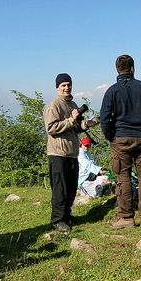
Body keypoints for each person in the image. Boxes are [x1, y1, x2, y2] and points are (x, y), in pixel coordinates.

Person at [100, 54, 141, 229]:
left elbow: (104, 118)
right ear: (133, 68)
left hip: (121, 139)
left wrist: (110, 136)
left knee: (123, 176)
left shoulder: (112, 91)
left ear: (117, 69)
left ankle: (126, 217)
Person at [44, 72, 97, 231]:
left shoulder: (72, 104)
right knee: (60, 189)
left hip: (72, 152)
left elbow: (76, 127)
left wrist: (87, 124)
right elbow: (51, 128)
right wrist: (71, 120)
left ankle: (66, 215)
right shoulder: (53, 105)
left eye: (69, 84)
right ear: (57, 87)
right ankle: (57, 220)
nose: (67, 88)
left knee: (71, 187)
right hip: (58, 153)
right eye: (63, 85)